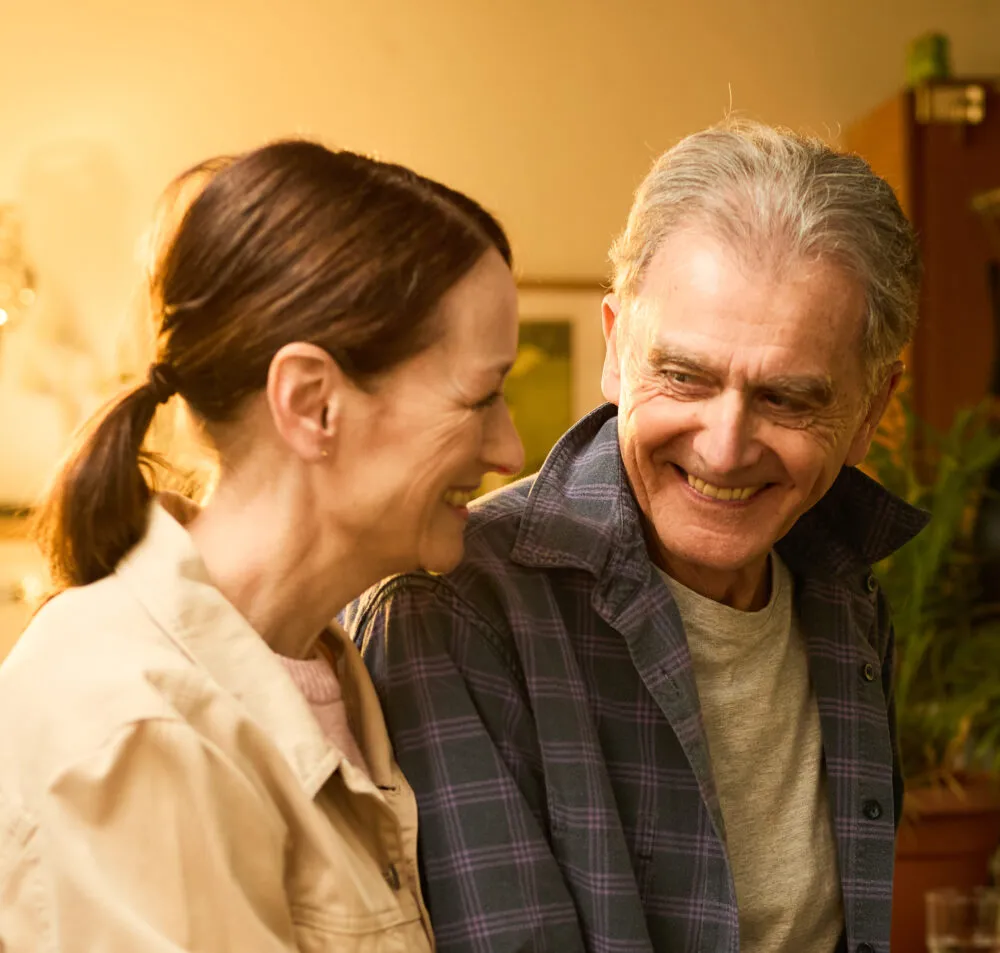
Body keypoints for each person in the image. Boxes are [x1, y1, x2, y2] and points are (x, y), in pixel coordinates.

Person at [345, 120, 930, 953]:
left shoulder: (846, 598)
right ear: (617, 349)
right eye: (684, 375)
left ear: (871, 409)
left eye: (788, 398)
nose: (724, 447)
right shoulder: (453, 613)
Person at [0, 140, 524, 952]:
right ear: (312, 403)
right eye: (482, 396)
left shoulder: (332, 679)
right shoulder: (137, 726)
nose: (511, 449)